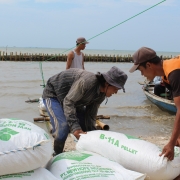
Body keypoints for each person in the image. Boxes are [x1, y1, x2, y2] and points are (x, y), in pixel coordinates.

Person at [42, 66, 128, 155]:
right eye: (116, 89)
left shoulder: (101, 94)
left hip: (73, 99)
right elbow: (68, 102)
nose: (116, 92)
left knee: (86, 126)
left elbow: (90, 115)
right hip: (54, 95)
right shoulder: (88, 82)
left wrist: (93, 134)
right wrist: (76, 128)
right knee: (63, 127)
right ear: (107, 83)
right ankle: (57, 153)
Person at [129, 47, 180, 161]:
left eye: (141, 70)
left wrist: (171, 143)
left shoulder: (174, 72)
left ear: (149, 65)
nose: (142, 75)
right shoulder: (166, 76)